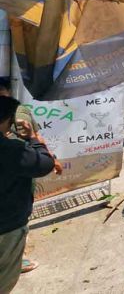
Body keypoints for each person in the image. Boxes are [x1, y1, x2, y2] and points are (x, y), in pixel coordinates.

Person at [0, 79, 62, 274]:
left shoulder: (21, 111)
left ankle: (19, 258)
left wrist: (51, 158)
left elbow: (37, 136)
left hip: (22, 171)